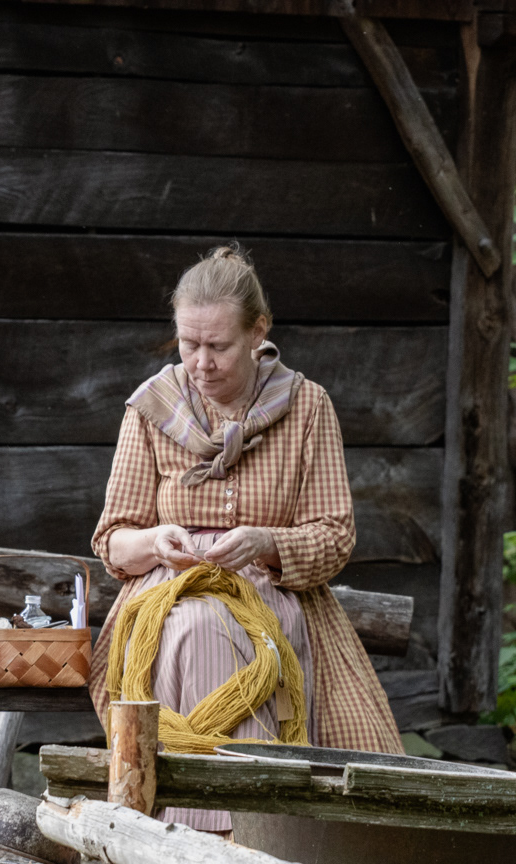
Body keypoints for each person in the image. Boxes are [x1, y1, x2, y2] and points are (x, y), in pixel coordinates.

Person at [92, 244, 401, 832]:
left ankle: (258, 834)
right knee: (193, 626)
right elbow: (113, 540)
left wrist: (265, 542)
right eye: (188, 343)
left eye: (218, 346)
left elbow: (334, 538)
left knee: (259, 639)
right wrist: (157, 542)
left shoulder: (307, 407)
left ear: (258, 332)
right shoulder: (153, 407)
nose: (200, 363)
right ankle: (188, 833)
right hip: (165, 594)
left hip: (273, 594)